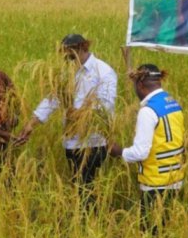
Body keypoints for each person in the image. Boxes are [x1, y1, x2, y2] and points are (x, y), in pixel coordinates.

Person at [17, 34, 117, 204]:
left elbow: (105, 107)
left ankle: (89, 221)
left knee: (87, 185)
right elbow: (52, 100)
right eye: (65, 56)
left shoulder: (104, 72)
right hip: (71, 141)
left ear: (83, 48)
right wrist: (30, 125)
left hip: (94, 141)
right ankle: (84, 220)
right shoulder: (66, 72)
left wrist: (77, 114)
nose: (67, 60)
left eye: (70, 55)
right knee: (79, 185)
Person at [109, 64, 184, 232]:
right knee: (167, 231)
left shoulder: (148, 111)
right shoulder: (173, 102)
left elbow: (141, 152)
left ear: (140, 85)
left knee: (151, 232)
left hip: (155, 183)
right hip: (176, 178)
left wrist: (119, 151)